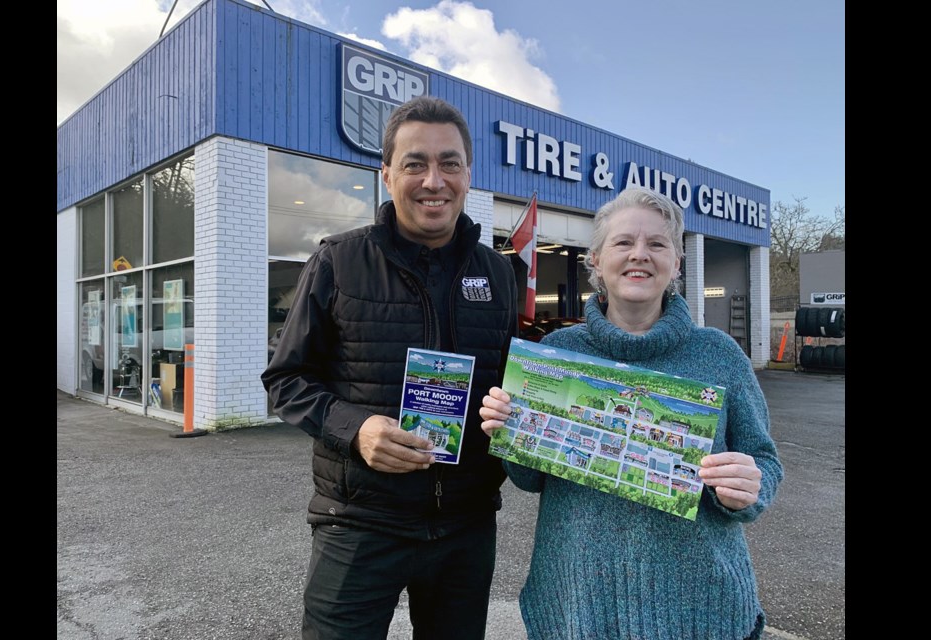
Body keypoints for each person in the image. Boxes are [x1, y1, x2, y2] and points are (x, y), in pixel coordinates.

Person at [262, 95, 518, 640]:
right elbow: (285, 379)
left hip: (466, 525)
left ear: (468, 174)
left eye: (449, 163)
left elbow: (512, 383)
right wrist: (356, 430)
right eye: (414, 163)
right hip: (359, 524)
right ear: (386, 175)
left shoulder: (497, 273)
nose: (434, 180)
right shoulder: (338, 260)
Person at [479, 186, 783, 640]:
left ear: (676, 263)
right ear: (596, 260)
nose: (639, 254)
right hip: (578, 607)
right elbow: (529, 479)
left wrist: (747, 486)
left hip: (701, 609)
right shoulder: (556, 355)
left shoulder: (719, 354)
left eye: (657, 244)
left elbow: (765, 461)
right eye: (623, 242)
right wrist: (510, 430)